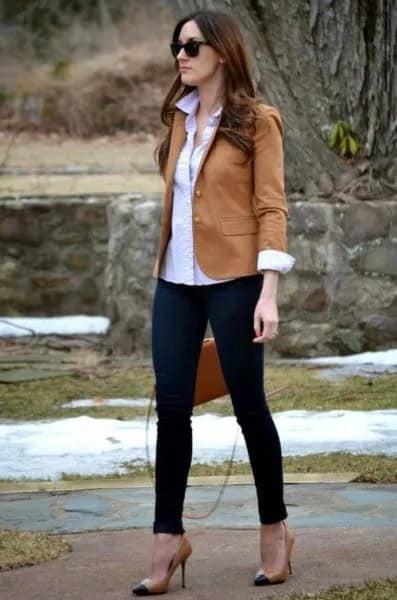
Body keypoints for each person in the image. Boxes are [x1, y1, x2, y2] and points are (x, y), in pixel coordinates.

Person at [132, 9, 296, 597]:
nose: (181, 54)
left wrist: (268, 292)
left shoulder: (259, 122)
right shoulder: (180, 118)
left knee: (249, 406)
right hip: (175, 280)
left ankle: (275, 531)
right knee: (172, 407)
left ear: (221, 52)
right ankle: (167, 540)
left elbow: (271, 207)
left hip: (236, 280)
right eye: (176, 45)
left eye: (192, 45)